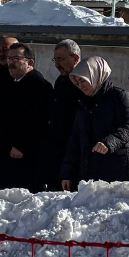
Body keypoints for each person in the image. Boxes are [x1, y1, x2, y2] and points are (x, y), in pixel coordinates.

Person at [0, 43, 53, 193]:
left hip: (24, 156)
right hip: (3, 151)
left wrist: (23, 147)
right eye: (8, 58)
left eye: (16, 58)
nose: (10, 62)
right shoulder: (7, 83)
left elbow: (39, 123)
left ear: (30, 63)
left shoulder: (40, 87)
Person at [61, 56, 129, 187]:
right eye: (77, 83)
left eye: (83, 80)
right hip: (91, 173)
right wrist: (67, 172)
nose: (81, 85)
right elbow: (75, 139)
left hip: (120, 171)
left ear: (94, 75)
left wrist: (109, 142)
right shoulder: (82, 104)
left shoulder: (120, 97)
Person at [42, 39, 83, 191]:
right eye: (55, 59)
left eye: (61, 59)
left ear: (76, 58)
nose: (57, 64)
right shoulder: (61, 80)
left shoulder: (83, 82)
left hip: (73, 147)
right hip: (56, 146)